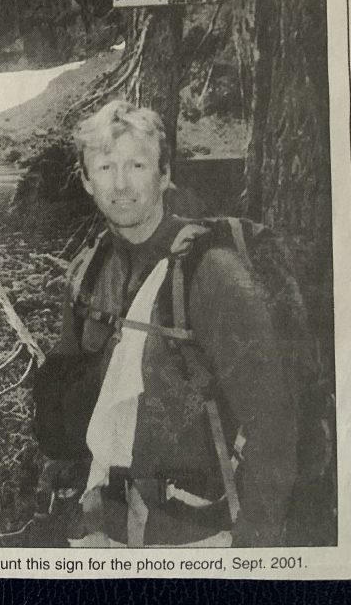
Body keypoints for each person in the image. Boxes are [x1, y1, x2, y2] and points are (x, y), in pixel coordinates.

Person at [35, 99, 296, 548]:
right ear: (85, 179)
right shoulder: (88, 275)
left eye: (137, 165)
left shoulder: (212, 272)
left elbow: (275, 426)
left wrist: (255, 553)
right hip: (106, 532)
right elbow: (64, 418)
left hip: (201, 536)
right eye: (104, 167)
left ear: (164, 174)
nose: (120, 185)